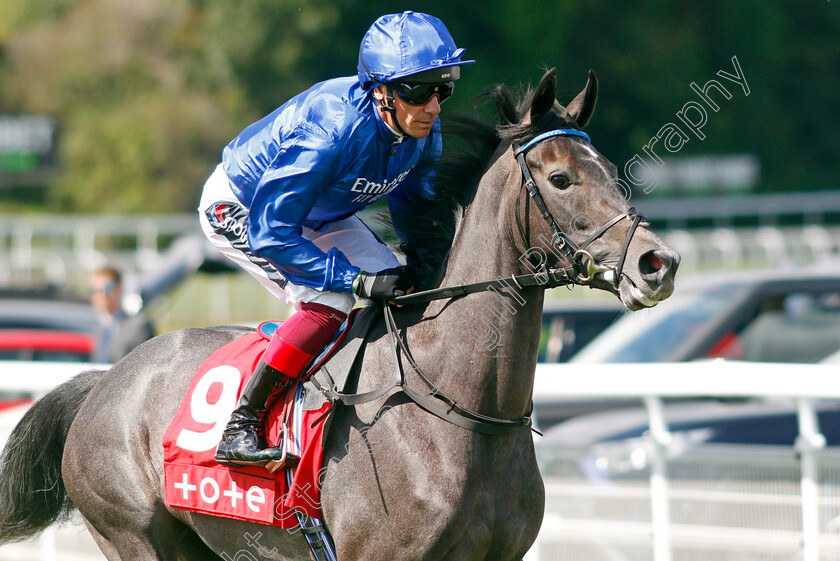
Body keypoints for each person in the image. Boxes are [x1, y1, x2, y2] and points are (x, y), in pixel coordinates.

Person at [198, 11, 474, 467]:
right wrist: (354, 281)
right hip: (248, 210)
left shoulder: (421, 128)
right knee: (330, 302)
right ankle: (241, 425)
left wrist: (424, 268)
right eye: (419, 90)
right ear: (380, 90)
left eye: (444, 88)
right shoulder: (328, 131)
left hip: (317, 213)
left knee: (403, 284)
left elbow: (414, 208)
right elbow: (273, 232)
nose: (434, 105)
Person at [89, 266, 155, 363]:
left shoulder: (139, 326)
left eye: (108, 287)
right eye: (97, 290)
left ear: (120, 288)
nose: (103, 294)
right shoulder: (99, 329)